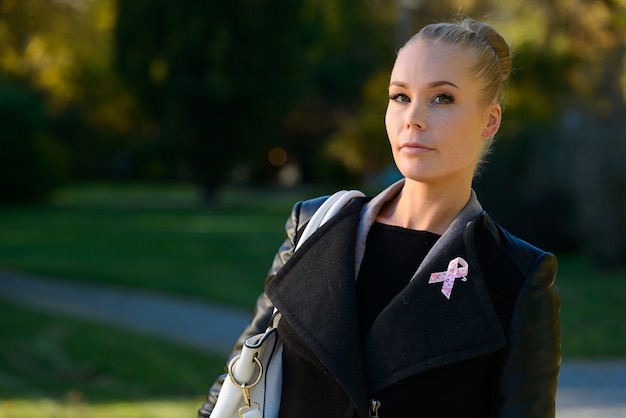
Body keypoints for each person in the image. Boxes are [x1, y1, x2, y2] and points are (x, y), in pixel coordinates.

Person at [198, 18, 560, 418]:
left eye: (442, 98)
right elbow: (239, 376)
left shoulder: (517, 274)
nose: (414, 118)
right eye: (400, 96)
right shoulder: (316, 223)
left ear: (490, 121)